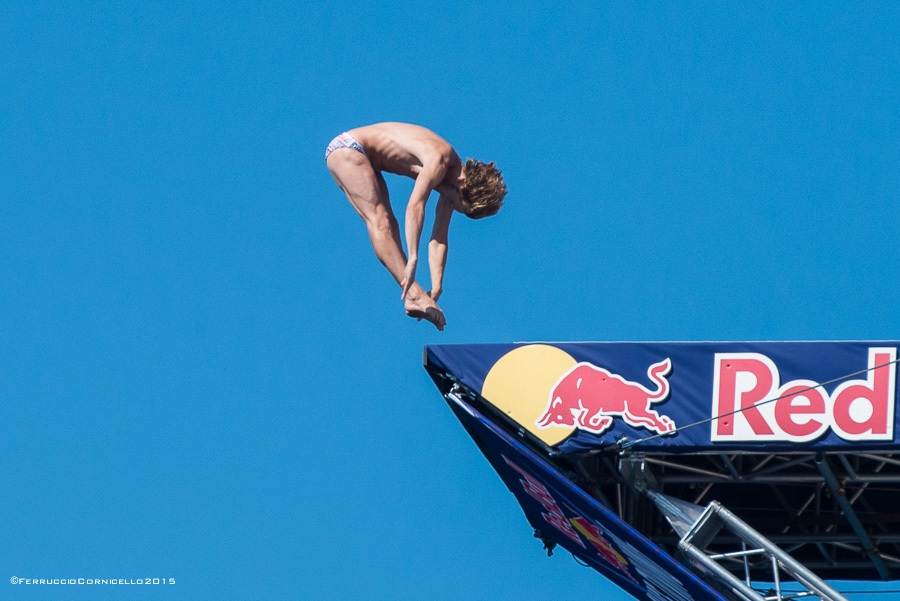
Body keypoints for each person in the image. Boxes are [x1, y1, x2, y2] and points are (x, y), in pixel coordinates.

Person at [325, 122, 507, 330]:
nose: (450, 204)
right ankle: (413, 294)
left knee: (389, 223)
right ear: (462, 182)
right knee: (381, 221)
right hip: (349, 148)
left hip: (367, 159)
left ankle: (416, 295)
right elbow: (415, 206)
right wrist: (412, 258)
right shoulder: (439, 158)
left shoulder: (453, 187)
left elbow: (439, 239)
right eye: (457, 203)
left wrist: (437, 287)